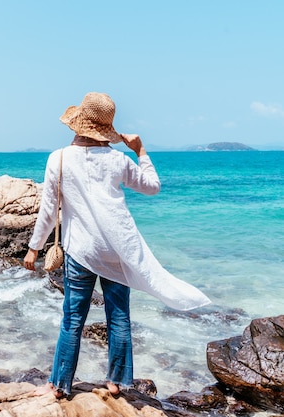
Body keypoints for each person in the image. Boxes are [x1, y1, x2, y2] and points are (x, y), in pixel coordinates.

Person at [23, 92, 211, 399]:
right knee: (119, 317)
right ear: (105, 129)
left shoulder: (58, 158)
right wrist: (141, 151)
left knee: (72, 318)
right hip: (116, 250)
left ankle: (59, 385)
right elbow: (153, 187)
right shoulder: (118, 159)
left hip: (80, 251)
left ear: (77, 125)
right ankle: (118, 382)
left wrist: (34, 248)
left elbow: (47, 211)